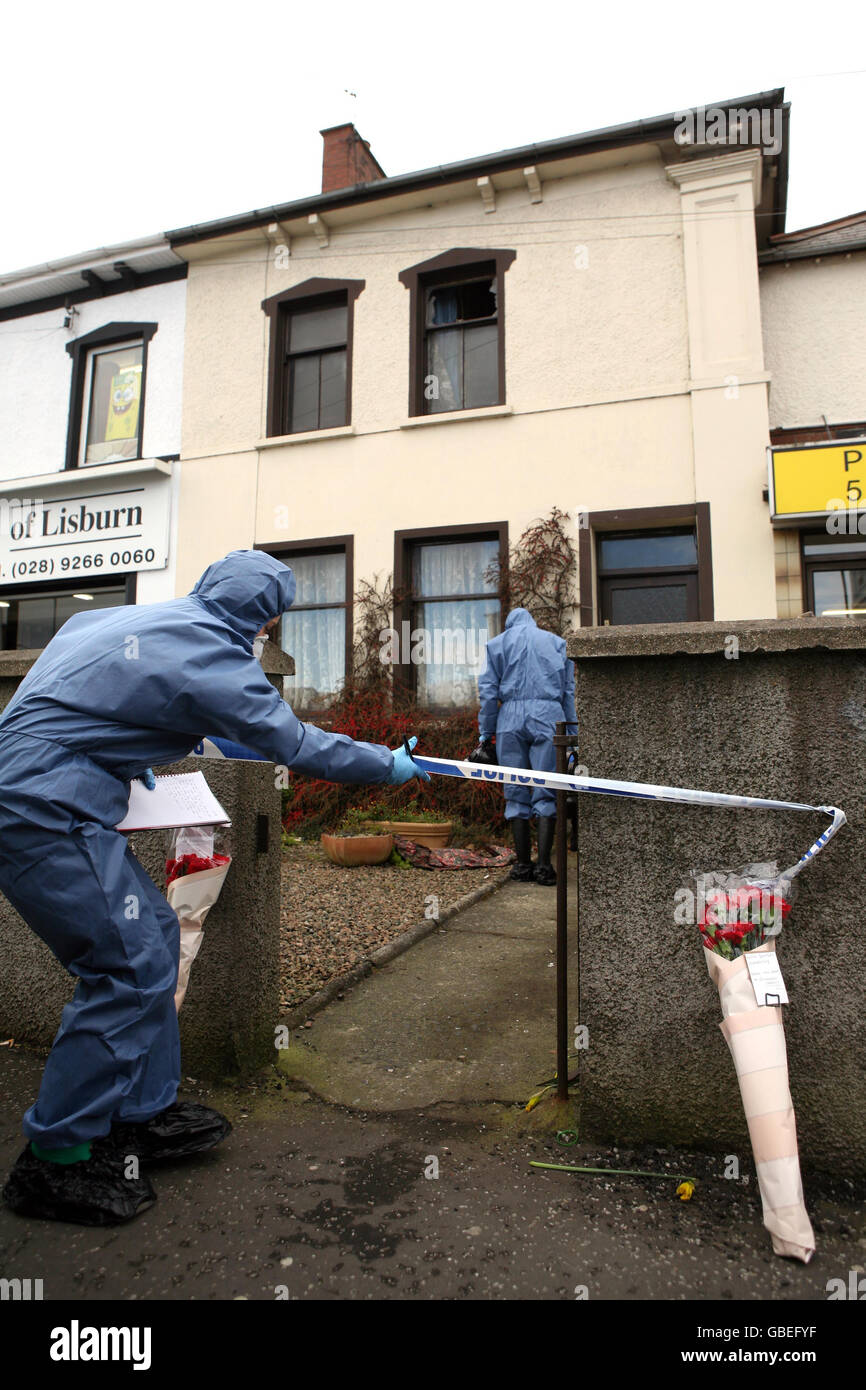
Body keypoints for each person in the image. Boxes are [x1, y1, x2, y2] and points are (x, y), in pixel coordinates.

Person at [0, 550, 427, 1226]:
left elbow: (67, 692)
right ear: (267, 619)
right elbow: (295, 744)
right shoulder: (217, 658)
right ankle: (56, 1157)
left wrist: (114, 751)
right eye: (271, 624)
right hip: (42, 808)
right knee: (127, 962)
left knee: (155, 938)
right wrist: (390, 765)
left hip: (39, 785)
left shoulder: (118, 619)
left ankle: (142, 1112)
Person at [472, 608, 577, 885]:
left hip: (510, 719)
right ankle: (544, 866)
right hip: (548, 716)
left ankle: (521, 865)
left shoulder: (497, 644)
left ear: (509, 624)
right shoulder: (557, 644)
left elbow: (488, 692)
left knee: (515, 790)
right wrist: (573, 733)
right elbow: (568, 692)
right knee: (547, 788)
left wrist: (486, 733)